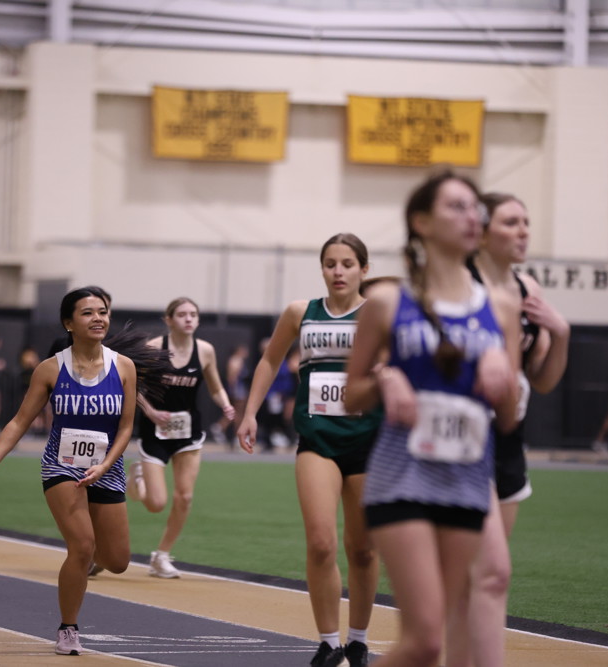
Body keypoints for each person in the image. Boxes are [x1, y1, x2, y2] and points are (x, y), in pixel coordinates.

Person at [343, 170, 521, 667]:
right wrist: (385, 380)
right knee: (423, 640)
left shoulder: (503, 309)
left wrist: (502, 373)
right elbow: (352, 396)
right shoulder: (387, 302)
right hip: (402, 477)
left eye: (474, 208)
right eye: (456, 207)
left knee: (451, 626)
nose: (471, 217)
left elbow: (508, 418)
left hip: (466, 480)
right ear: (421, 222)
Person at [0, 286, 138, 657]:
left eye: (102, 312)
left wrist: (105, 465)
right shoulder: (50, 369)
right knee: (82, 547)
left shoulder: (124, 367)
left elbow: (126, 427)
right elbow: (20, 421)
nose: (98, 318)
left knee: (117, 562)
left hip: (107, 467)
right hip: (62, 466)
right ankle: (68, 628)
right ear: (69, 323)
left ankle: (89, 557)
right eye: (87, 313)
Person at [237, 233, 381, 667]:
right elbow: (269, 360)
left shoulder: (379, 314)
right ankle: (328, 643)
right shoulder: (301, 312)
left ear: (364, 269)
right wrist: (250, 413)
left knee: (363, 549)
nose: (338, 271)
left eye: (347, 264)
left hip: (368, 442)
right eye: (330, 263)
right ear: (322, 268)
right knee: (321, 543)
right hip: (318, 441)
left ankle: (358, 641)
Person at [447, 191, 570, 667]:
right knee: (486, 571)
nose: (523, 231)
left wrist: (561, 333)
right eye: (510, 222)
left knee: (487, 579)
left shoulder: (527, 288)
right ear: (482, 231)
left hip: (507, 437)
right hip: (461, 438)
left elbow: (542, 379)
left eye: (526, 222)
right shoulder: (457, 284)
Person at [125, 297, 236, 579]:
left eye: (193, 314)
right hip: (155, 431)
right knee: (156, 504)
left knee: (185, 496)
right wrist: (150, 412)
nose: (189, 319)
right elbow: (133, 386)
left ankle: (161, 556)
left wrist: (225, 405)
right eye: (182, 314)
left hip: (187, 431)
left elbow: (215, 387)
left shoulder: (205, 350)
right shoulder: (154, 349)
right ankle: (137, 479)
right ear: (169, 320)